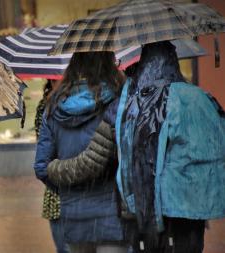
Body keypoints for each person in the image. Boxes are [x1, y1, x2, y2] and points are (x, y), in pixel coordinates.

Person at [115, 41, 225, 253]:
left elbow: (139, 153)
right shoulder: (200, 96)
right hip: (197, 200)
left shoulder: (152, 100)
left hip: (167, 202)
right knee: (192, 246)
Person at [34, 51, 128, 253]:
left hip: (74, 214)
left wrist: (69, 189)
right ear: (108, 65)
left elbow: (41, 167)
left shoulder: (53, 107)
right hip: (113, 212)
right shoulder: (119, 101)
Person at [34, 79, 69, 253]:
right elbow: (43, 157)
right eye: (55, 79)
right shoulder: (44, 106)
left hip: (75, 191)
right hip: (57, 193)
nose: (59, 81)